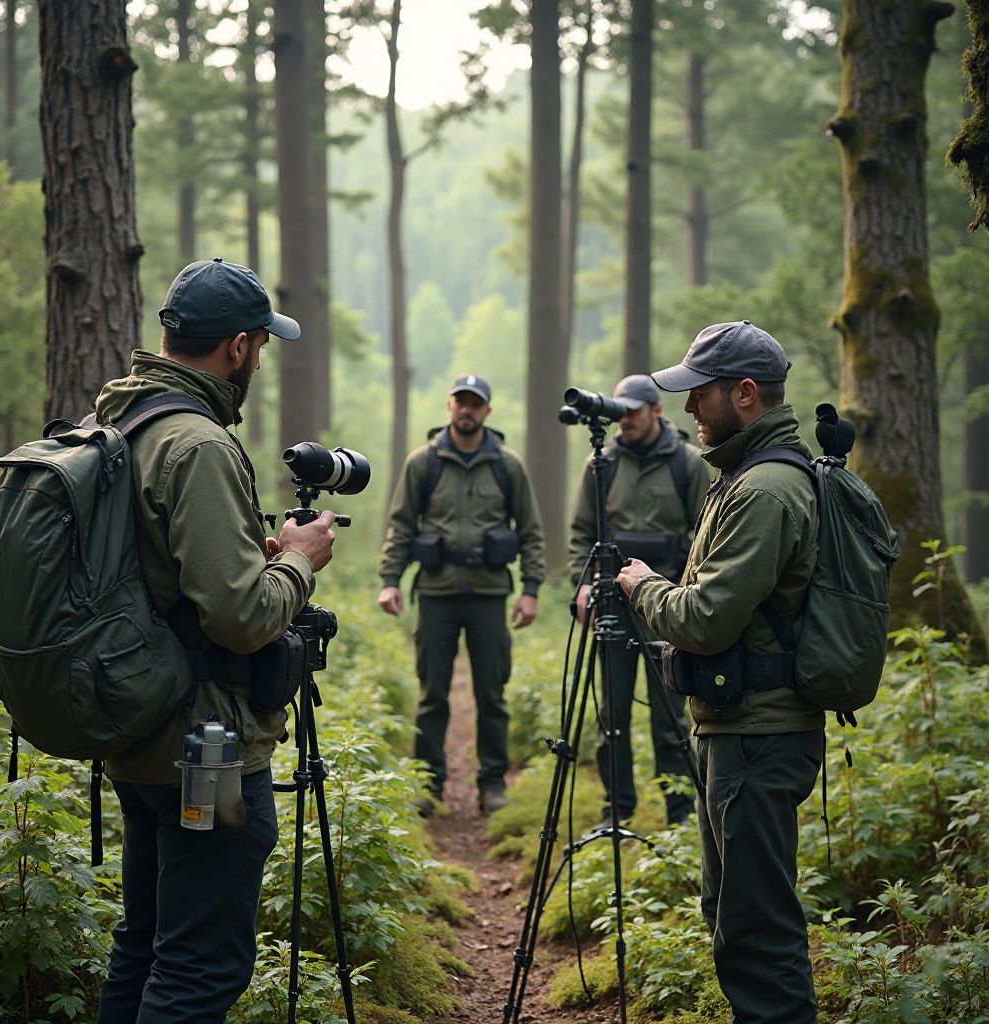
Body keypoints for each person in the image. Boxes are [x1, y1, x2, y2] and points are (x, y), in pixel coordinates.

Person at [93, 258, 337, 1024]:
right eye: (260, 346)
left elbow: (165, 577)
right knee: (201, 968)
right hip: (207, 745)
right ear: (237, 347)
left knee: (146, 942)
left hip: (139, 727)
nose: (259, 361)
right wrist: (300, 560)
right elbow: (238, 618)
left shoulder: (120, 423)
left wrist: (251, 556)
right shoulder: (197, 444)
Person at [618, 321, 824, 1024]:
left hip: (759, 734)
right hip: (736, 729)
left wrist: (643, 586)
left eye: (698, 395)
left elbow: (706, 618)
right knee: (734, 918)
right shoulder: (745, 477)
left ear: (744, 395)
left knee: (758, 935)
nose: (686, 411)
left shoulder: (765, 490)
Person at [378, 374, 545, 815]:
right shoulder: (423, 463)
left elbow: (530, 533)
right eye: (460, 402)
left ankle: (492, 783)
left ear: (487, 410)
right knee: (432, 693)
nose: (467, 410)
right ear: (449, 406)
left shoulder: (507, 466)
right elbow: (400, 527)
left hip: (490, 594)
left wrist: (530, 591)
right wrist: (390, 580)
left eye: (476, 403)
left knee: (492, 694)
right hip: (436, 593)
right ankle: (429, 785)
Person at [568, 374, 711, 828]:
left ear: (657, 411)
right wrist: (584, 584)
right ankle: (617, 810)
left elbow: (706, 534)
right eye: (621, 410)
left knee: (671, 710)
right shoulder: (601, 464)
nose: (625, 419)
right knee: (611, 714)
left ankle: (680, 813)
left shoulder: (689, 464)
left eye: (634, 411)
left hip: (669, 604)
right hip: (613, 604)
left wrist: (687, 592)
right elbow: (580, 535)